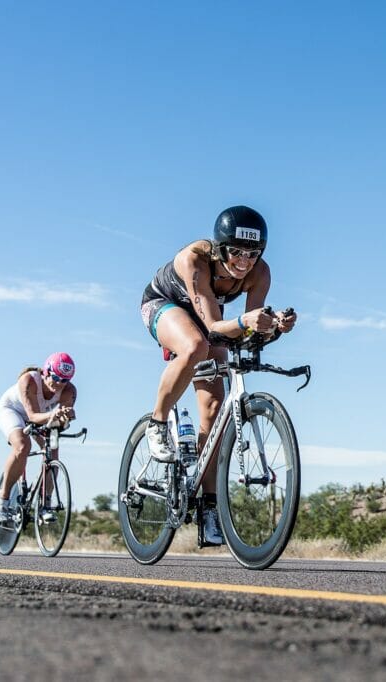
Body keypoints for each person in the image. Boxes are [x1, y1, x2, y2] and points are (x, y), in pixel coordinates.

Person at [139, 205, 297, 544]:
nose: (244, 260)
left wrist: (274, 327)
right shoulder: (193, 260)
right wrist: (246, 322)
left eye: (253, 253)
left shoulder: (260, 273)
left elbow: (250, 332)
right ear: (220, 248)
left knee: (214, 412)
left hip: (209, 315)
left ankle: (207, 506)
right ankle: (157, 421)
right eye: (236, 252)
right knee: (195, 346)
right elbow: (213, 327)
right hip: (166, 305)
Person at [0, 352, 77, 522]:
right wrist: (54, 414)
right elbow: (31, 416)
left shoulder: (69, 391)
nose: (59, 384)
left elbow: (59, 425)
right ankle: (2, 501)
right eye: (55, 377)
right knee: (23, 446)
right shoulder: (30, 380)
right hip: (14, 411)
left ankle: (45, 503)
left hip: (43, 416)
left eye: (64, 380)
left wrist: (65, 418)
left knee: (52, 453)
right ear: (46, 372)